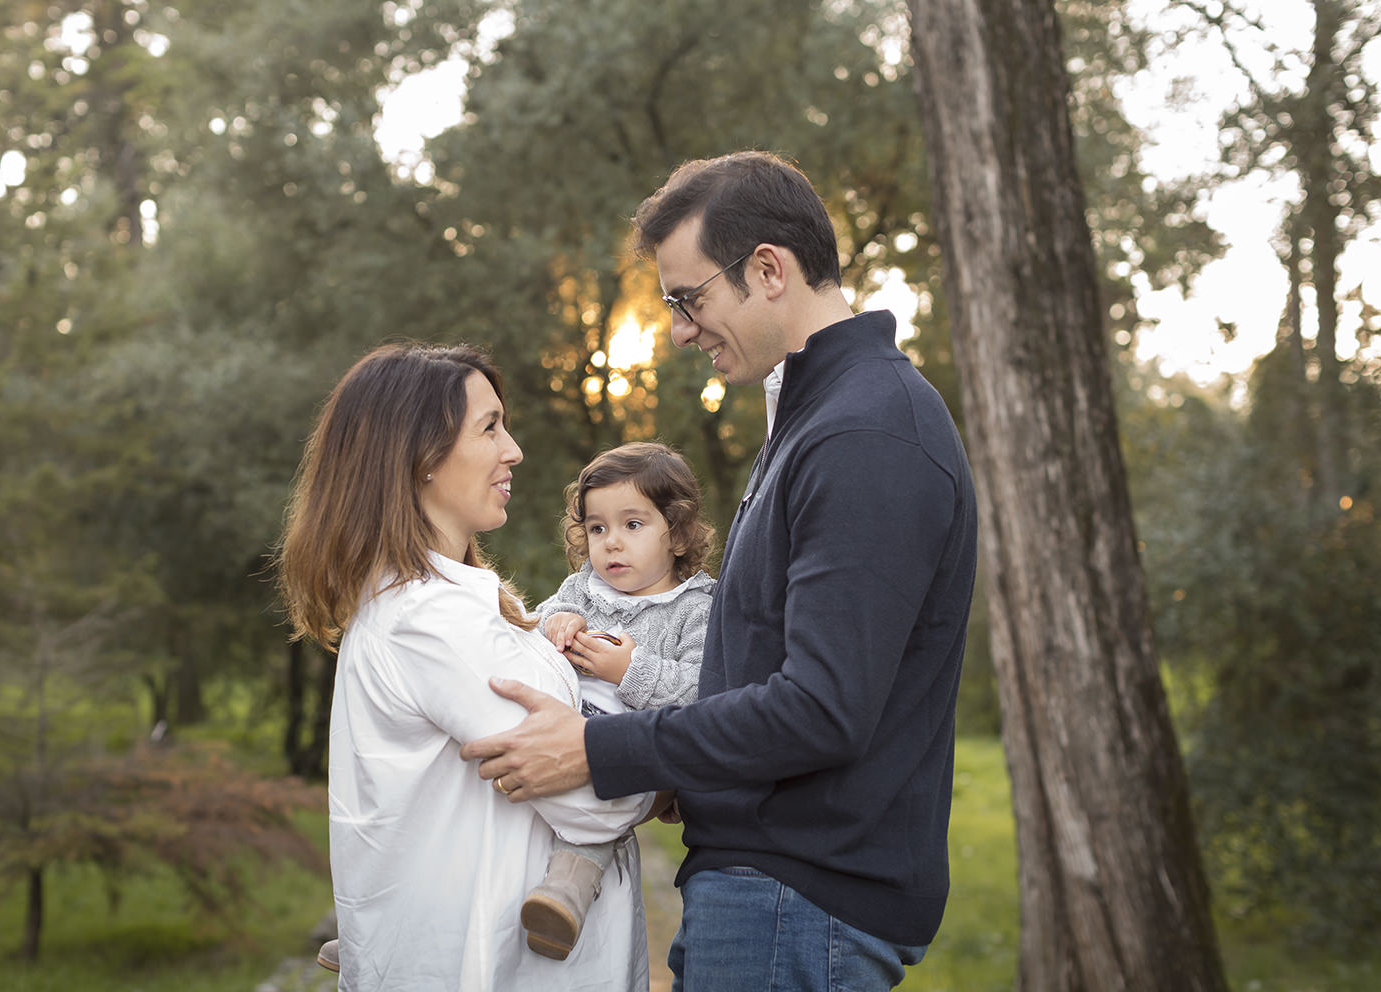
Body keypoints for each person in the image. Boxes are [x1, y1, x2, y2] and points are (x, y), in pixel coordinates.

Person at [460, 151, 978, 992]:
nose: (679, 330)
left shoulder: (865, 436)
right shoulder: (815, 423)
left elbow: (822, 710)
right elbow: (759, 670)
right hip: (769, 890)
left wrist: (601, 748)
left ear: (768, 270)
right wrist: (680, 766)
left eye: (689, 299)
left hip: (799, 898)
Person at [278, 343, 654, 991]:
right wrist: (668, 764)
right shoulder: (434, 624)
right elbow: (596, 801)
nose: (514, 450)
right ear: (418, 457)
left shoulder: (457, 607)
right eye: (489, 427)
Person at [520, 441, 716, 960]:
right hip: (557, 730)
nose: (611, 544)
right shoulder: (582, 589)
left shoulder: (696, 607)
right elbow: (530, 630)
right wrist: (556, 623)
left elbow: (702, 691)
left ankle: (566, 894)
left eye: (632, 525)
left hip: (629, 754)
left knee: (600, 811)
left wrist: (630, 671)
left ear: (676, 533)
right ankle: (396, 921)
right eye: (597, 528)